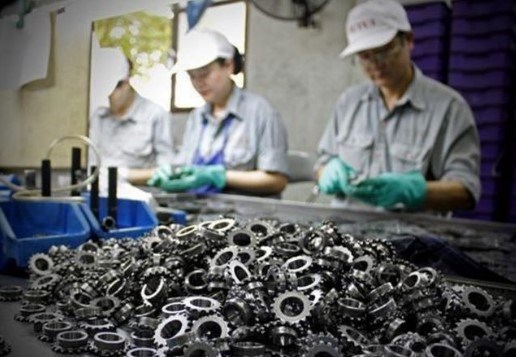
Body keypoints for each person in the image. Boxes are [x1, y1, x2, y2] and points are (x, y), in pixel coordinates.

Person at [316, 0, 480, 213]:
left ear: (408, 40)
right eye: (365, 56)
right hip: (345, 233)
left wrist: (413, 191)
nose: (376, 64)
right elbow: (322, 164)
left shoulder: (449, 108)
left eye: (384, 51)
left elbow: (465, 191)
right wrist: (328, 172)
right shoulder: (349, 103)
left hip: (412, 238)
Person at [148, 29, 289, 196]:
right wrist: (171, 173)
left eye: (204, 73)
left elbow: (277, 181)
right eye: (192, 76)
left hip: (244, 215)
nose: (199, 83)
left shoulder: (261, 113)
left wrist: (220, 176)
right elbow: (184, 166)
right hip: (199, 210)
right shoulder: (196, 117)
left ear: (228, 65)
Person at [88, 47, 175, 185]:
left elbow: (166, 169)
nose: (109, 96)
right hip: (101, 194)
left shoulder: (155, 114)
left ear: (127, 81)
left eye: (114, 89)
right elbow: (92, 167)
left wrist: (123, 174)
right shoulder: (99, 117)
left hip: (140, 195)